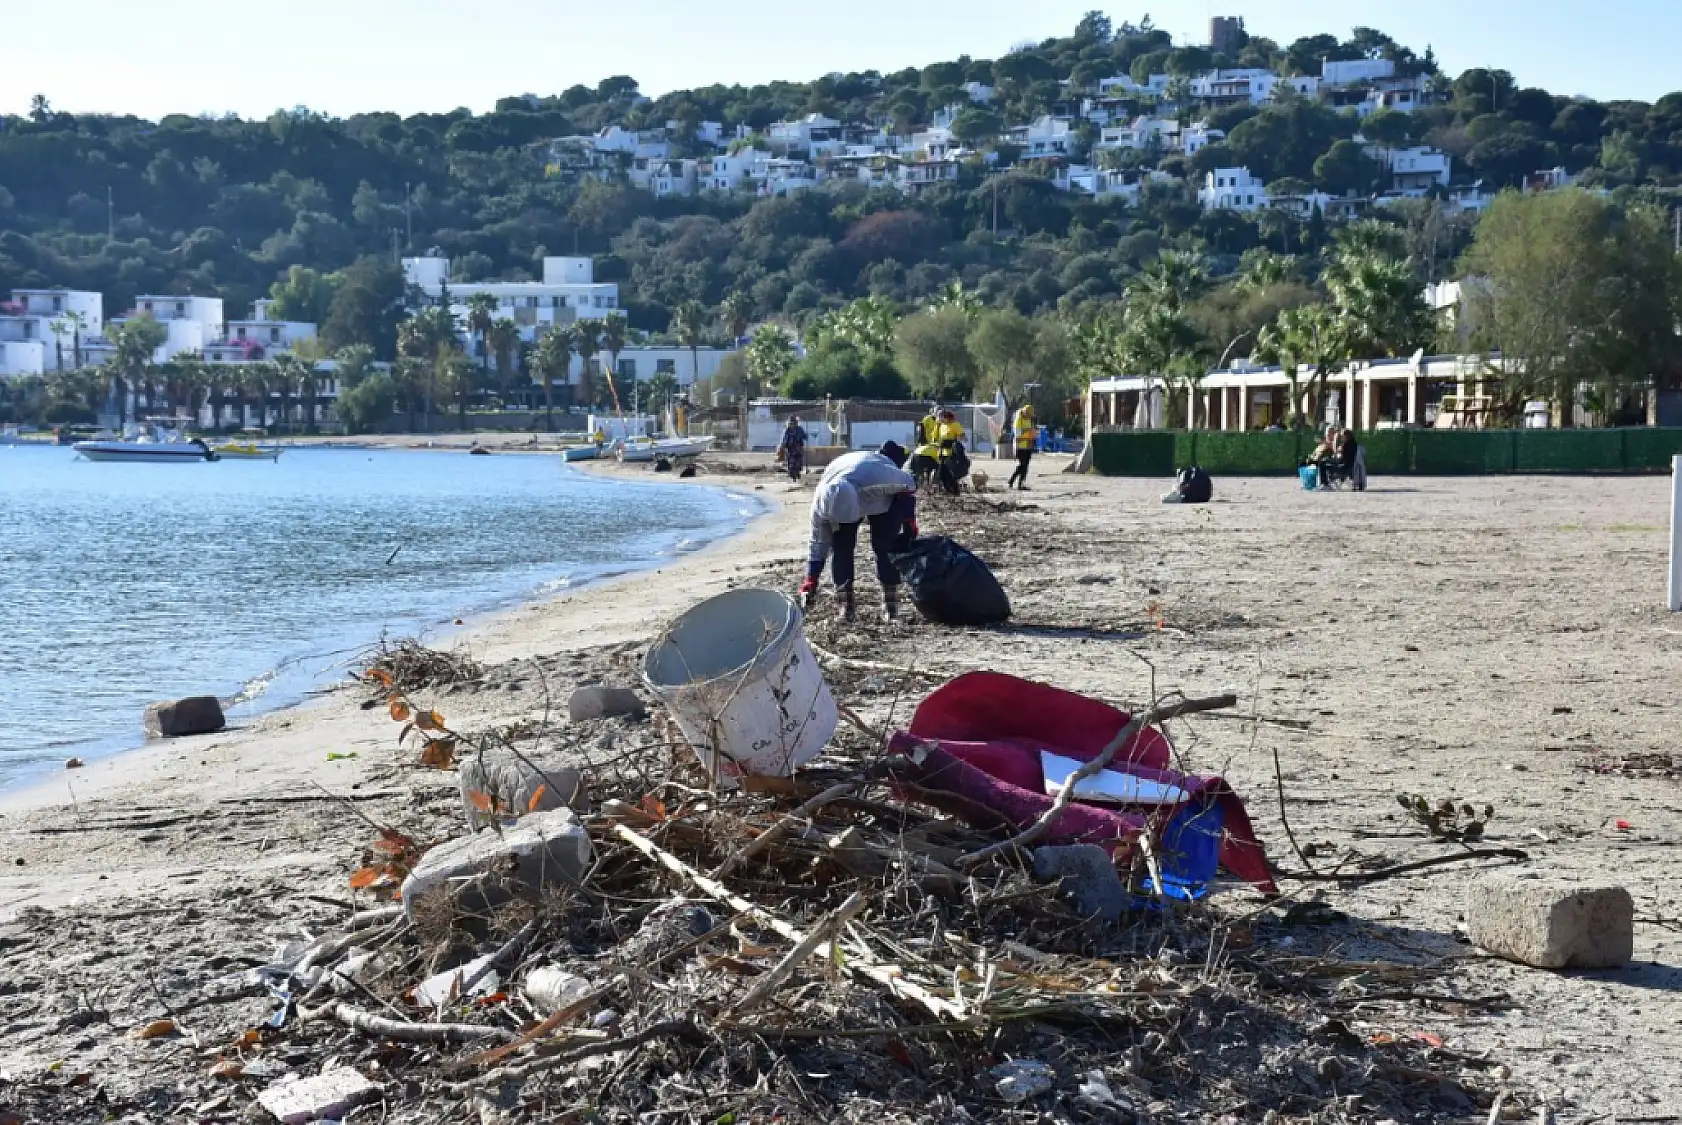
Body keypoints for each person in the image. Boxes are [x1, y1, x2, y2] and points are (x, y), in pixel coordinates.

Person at [799, 442, 918, 622]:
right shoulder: (820, 508)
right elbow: (818, 544)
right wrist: (811, 579)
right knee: (841, 548)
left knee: (885, 545)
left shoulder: (880, 475)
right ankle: (846, 608)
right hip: (842, 477)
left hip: (882, 498)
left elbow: (909, 484)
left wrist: (909, 520)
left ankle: (890, 606)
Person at [935, 409, 967, 496]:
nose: (940, 419)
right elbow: (940, 439)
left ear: (946, 417)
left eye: (941, 417)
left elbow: (963, 437)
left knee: (951, 474)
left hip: (952, 454)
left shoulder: (955, 425)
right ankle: (948, 490)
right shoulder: (941, 426)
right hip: (942, 453)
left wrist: (954, 441)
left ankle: (955, 491)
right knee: (941, 474)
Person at [1007, 402, 1037, 490]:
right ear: (1024, 412)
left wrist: (1032, 437)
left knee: (1025, 466)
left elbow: (1031, 431)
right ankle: (1015, 482)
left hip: (1028, 446)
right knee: (1023, 465)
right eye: (1028, 415)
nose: (1029, 417)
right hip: (1019, 447)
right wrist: (1028, 432)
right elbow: (1018, 436)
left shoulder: (1029, 419)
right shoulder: (1018, 421)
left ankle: (1017, 482)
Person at [777, 416, 808, 484]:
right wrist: (781, 447)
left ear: (796, 423)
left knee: (798, 463)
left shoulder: (799, 429)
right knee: (791, 464)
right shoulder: (786, 430)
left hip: (798, 448)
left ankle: (797, 474)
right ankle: (793, 476)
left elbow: (805, 436)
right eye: (790, 423)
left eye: (793, 423)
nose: (792, 425)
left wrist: (805, 436)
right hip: (790, 449)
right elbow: (783, 440)